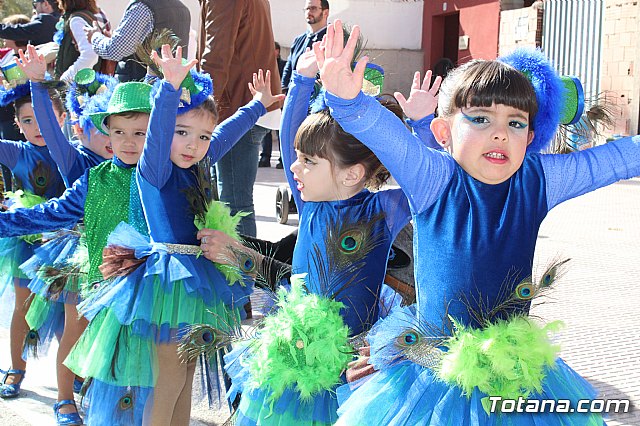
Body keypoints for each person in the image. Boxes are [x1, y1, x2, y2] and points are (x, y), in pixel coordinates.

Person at [317, 21, 640, 425]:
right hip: (434, 370)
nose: (501, 134)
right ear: (442, 132)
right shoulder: (434, 177)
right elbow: (386, 136)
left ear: (530, 136)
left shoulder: (540, 179)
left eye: (515, 123)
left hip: (512, 374)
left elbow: (614, 161)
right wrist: (347, 101)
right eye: (481, 119)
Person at [62, 45, 282, 425]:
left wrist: (258, 107)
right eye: (183, 133)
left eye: (202, 137)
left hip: (196, 281)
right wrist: (169, 88)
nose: (194, 144)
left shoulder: (195, 165)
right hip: (166, 284)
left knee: (185, 377)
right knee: (169, 379)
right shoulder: (156, 169)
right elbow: (160, 133)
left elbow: (224, 134)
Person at [219, 48, 414, 425]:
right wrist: (302, 79)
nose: (294, 169)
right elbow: (293, 128)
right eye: (296, 158)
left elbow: (422, 179)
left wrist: (416, 126)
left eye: (309, 162)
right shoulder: (310, 205)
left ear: (352, 173)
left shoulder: (382, 212)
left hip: (350, 364)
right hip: (294, 357)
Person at [0, 78, 153, 423]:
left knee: (137, 366)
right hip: (97, 280)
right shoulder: (93, 178)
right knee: (85, 343)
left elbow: (212, 142)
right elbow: (47, 214)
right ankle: (65, 399)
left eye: (141, 133)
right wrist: (39, 84)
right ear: (107, 132)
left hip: (149, 289)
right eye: (118, 132)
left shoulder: (163, 177)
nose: (127, 142)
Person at [0, 75, 67, 401]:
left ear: (63, 118)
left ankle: (73, 374)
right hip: (26, 242)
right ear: (17, 124)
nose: (37, 126)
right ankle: (16, 368)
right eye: (27, 120)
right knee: (24, 309)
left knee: (66, 313)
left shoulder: (73, 153)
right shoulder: (16, 152)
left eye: (44, 118)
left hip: (65, 244)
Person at [198, 0, 282, 237]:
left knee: (233, 204)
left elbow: (215, 58)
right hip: (245, 103)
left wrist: (199, 110)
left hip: (237, 106)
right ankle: (240, 269)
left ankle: (245, 272)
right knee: (230, 202)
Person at [85, 0, 190, 82]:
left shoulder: (142, 6)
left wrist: (94, 36)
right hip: (171, 91)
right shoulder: (182, 8)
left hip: (139, 93)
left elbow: (114, 50)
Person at [1, 14, 31, 192]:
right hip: (6, 116)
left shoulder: (28, 55)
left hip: (20, 114)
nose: (4, 37)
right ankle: (9, 193)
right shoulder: (7, 57)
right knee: (6, 161)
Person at [280, 0, 329, 93]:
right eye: (307, 9)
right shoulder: (299, 39)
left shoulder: (330, 39)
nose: (309, 12)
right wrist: (284, 91)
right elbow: (289, 68)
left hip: (316, 99)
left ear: (325, 12)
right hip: (292, 96)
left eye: (313, 8)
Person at [53, 0, 103, 82]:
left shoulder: (77, 20)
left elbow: (90, 54)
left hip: (78, 88)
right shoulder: (87, 17)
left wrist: (65, 79)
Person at [259, 41, 288, 168]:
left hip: (281, 101)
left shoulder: (284, 65)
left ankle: (283, 159)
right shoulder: (264, 65)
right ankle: (265, 157)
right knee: (266, 130)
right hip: (267, 101)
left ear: (277, 51)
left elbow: (286, 82)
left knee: (280, 131)